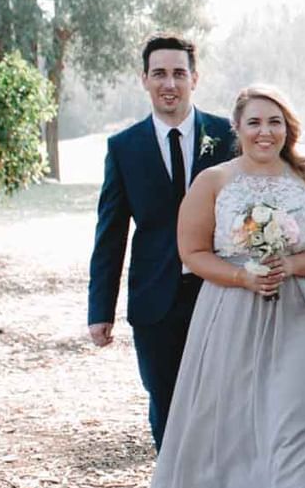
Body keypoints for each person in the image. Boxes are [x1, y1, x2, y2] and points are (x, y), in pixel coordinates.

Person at [124, 85, 305, 488]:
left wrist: (291, 265)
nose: (265, 132)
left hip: (304, 312)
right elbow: (191, 252)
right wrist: (244, 276)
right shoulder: (214, 182)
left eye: (275, 122)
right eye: (254, 122)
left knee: (301, 423)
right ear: (237, 129)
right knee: (241, 425)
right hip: (233, 311)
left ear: (288, 128)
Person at [88, 35, 238, 449]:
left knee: (222, 403)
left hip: (221, 293)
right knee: (167, 404)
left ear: (194, 78)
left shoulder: (228, 135)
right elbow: (111, 231)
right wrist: (100, 310)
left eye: (178, 73)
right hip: (155, 299)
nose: (168, 83)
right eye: (159, 74)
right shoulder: (124, 147)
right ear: (144, 79)